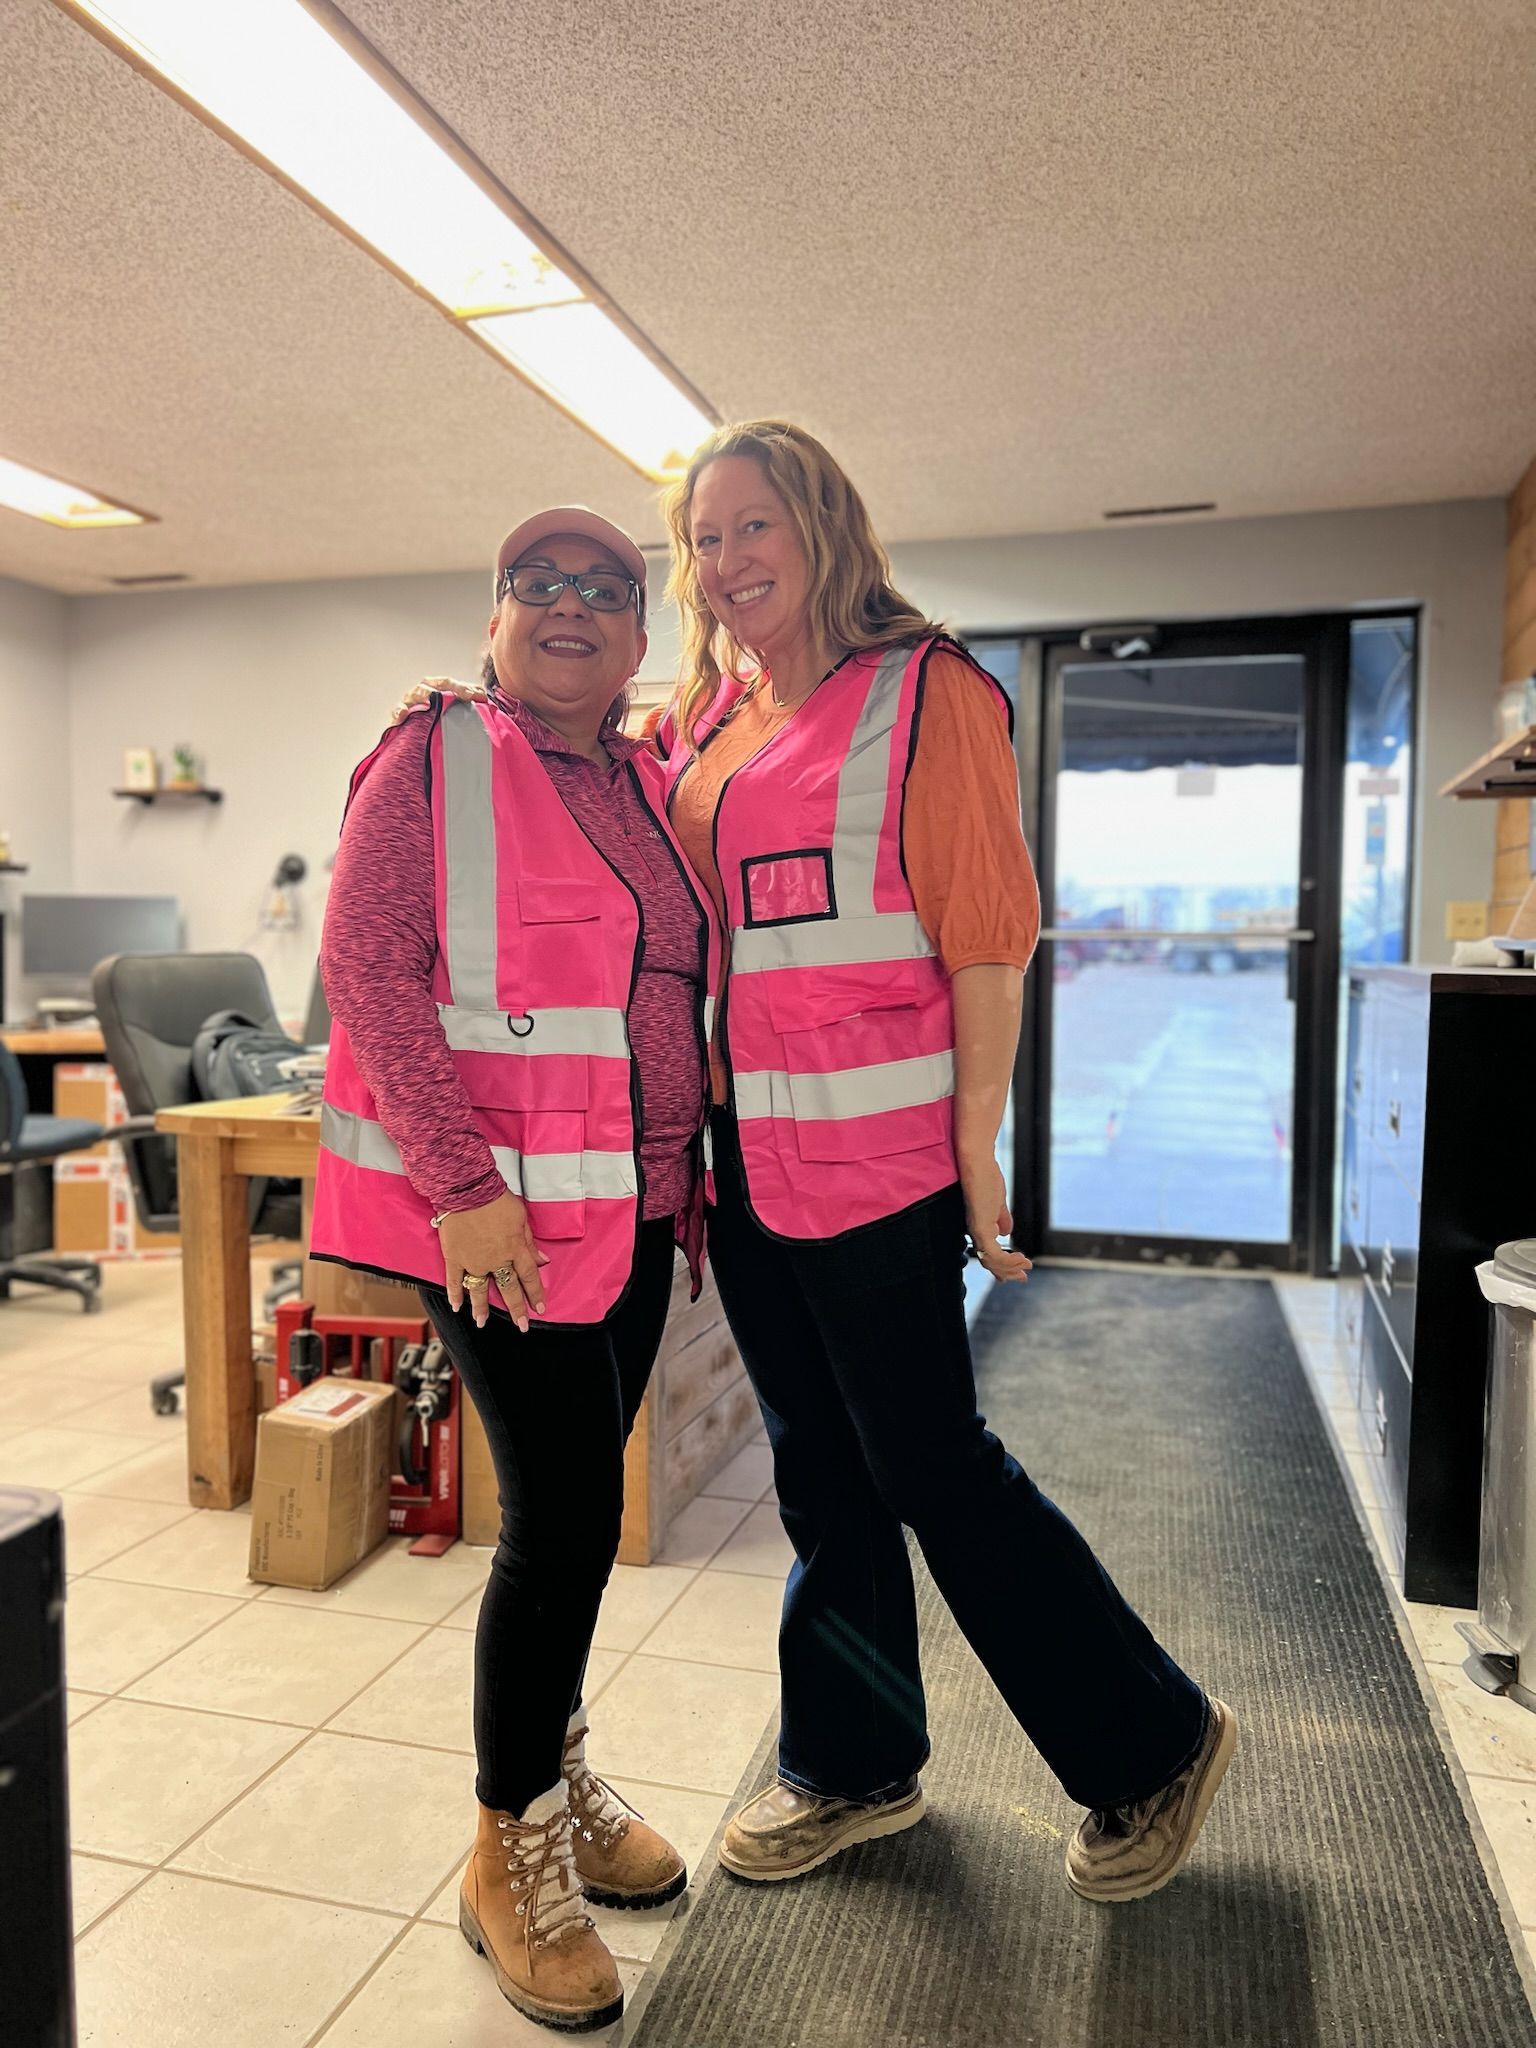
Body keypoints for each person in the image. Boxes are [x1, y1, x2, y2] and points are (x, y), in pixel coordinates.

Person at [650, 419, 1235, 1904]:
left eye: (752, 528)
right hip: (751, 1164)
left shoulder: (931, 692)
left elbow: (987, 938)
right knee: (822, 1480)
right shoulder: (717, 724)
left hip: (878, 1163)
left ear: (823, 527)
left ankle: (1151, 1745)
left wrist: (979, 1152)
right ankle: (852, 1770)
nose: (726, 564)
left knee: (931, 1469)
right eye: (704, 540)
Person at [312, 507, 722, 2033]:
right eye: (537, 586)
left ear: (636, 635)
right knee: (561, 1529)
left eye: (606, 593)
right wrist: (464, 1187)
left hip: (629, 1218)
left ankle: (553, 1773)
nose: (570, 608)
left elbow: (658, 988)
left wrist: (680, 1184)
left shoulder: (645, 777)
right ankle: (511, 1855)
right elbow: (366, 966)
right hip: (506, 1227)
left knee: (575, 1520)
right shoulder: (438, 754)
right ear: (494, 618)